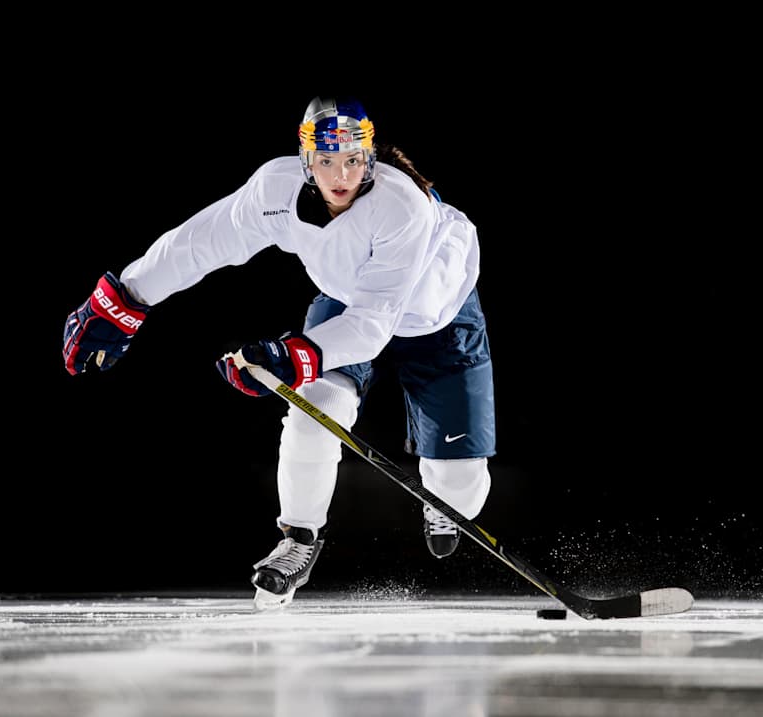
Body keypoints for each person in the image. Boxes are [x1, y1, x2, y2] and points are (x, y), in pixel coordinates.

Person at [63, 96, 496, 610]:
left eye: (353, 160)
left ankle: (444, 503)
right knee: (314, 405)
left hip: (435, 313)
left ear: (370, 159)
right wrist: (124, 300)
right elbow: (198, 244)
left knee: (458, 484)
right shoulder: (275, 188)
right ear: (305, 158)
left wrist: (289, 355)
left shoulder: (402, 205)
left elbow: (374, 325)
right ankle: (299, 538)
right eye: (326, 160)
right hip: (351, 300)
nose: (341, 175)